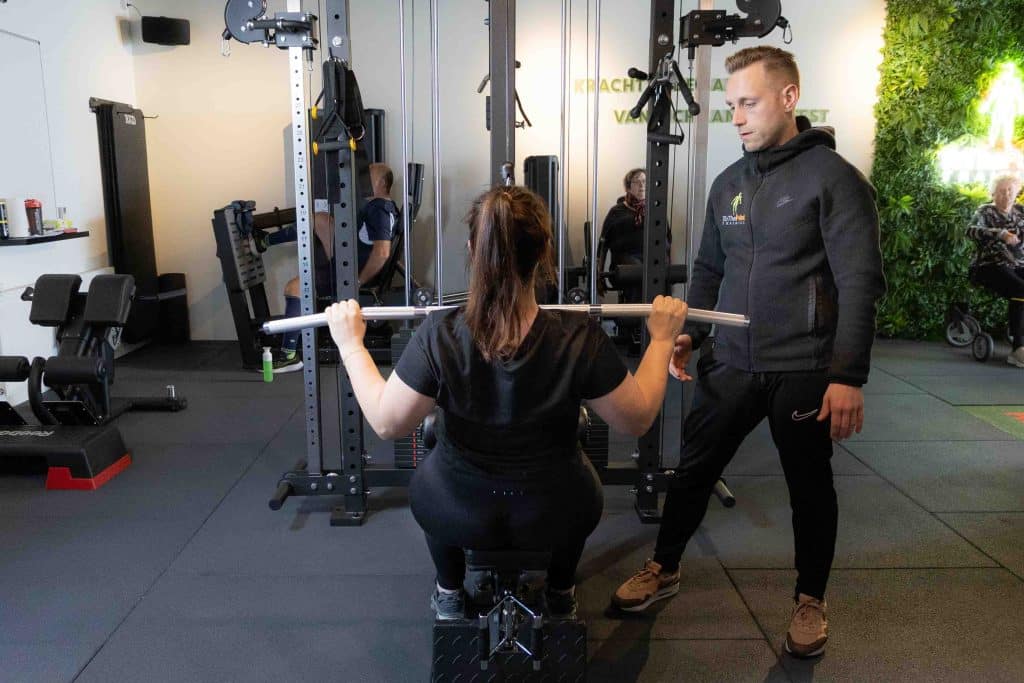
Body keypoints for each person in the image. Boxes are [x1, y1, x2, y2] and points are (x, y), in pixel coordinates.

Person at [610, 46, 886, 660]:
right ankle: (665, 566)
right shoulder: (728, 182)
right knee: (693, 470)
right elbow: (710, 267)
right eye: (731, 105)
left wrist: (848, 376)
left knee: (809, 486)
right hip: (731, 359)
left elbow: (860, 281)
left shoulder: (835, 180)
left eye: (749, 103)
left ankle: (810, 599)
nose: (735, 117)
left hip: (804, 368)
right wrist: (693, 332)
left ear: (790, 99)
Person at [325, 185, 688, 620]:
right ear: (543, 252)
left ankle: (450, 592)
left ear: (472, 250)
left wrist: (351, 345)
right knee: (579, 474)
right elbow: (639, 418)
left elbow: (388, 424)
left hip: (456, 509)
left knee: (431, 465)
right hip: (557, 509)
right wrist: (662, 338)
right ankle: (559, 591)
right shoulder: (578, 338)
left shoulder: (439, 335)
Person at [272, 163, 399, 373]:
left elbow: (382, 252)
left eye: (369, 179)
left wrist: (357, 282)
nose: (363, 183)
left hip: (350, 272)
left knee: (294, 288)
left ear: (383, 183)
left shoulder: (379, 209)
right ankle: (264, 242)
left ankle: (288, 356)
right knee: (319, 219)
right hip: (349, 261)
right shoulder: (384, 207)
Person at [966, 174, 1024, 367]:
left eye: (1010, 190)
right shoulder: (985, 211)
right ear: (993, 193)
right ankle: (1018, 349)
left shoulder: (1020, 212)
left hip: (1018, 265)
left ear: (1016, 194)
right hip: (989, 265)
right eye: (1001, 191)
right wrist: (1000, 234)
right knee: (1020, 289)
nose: (1006, 194)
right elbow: (971, 230)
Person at [597, 168, 671, 303]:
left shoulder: (657, 209)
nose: (642, 185)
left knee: (663, 272)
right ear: (628, 187)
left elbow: (668, 242)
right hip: (625, 262)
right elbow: (603, 245)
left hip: (652, 259)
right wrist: (598, 275)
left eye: (644, 181)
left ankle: (660, 316)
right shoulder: (616, 212)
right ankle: (637, 320)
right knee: (637, 271)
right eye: (637, 182)